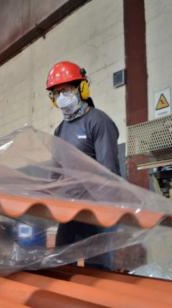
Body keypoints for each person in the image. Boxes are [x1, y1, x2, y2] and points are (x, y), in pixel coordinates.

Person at [46, 61, 120, 269]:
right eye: (56, 92)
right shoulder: (60, 130)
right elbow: (55, 173)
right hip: (69, 211)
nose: (61, 97)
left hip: (97, 211)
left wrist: (106, 213)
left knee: (97, 271)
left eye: (66, 90)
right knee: (62, 266)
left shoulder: (98, 121)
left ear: (82, 88)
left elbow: (109, 172)